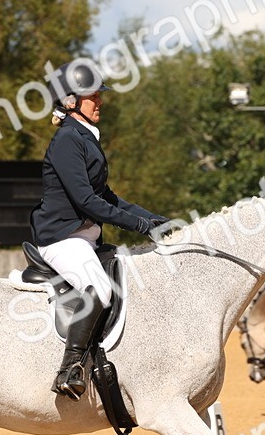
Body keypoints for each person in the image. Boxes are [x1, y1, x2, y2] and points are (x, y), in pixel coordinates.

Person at [31, 58, 168, 399]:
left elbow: (108, 197)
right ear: (70, 101)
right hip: (61, 238)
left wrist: (157, 221)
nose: (100, 101)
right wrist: (138, 225)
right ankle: (70, 368)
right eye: (93, 96)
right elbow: (87, 202)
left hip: (84, 239)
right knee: (100, 288)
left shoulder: (84, 138)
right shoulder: (67, 140)